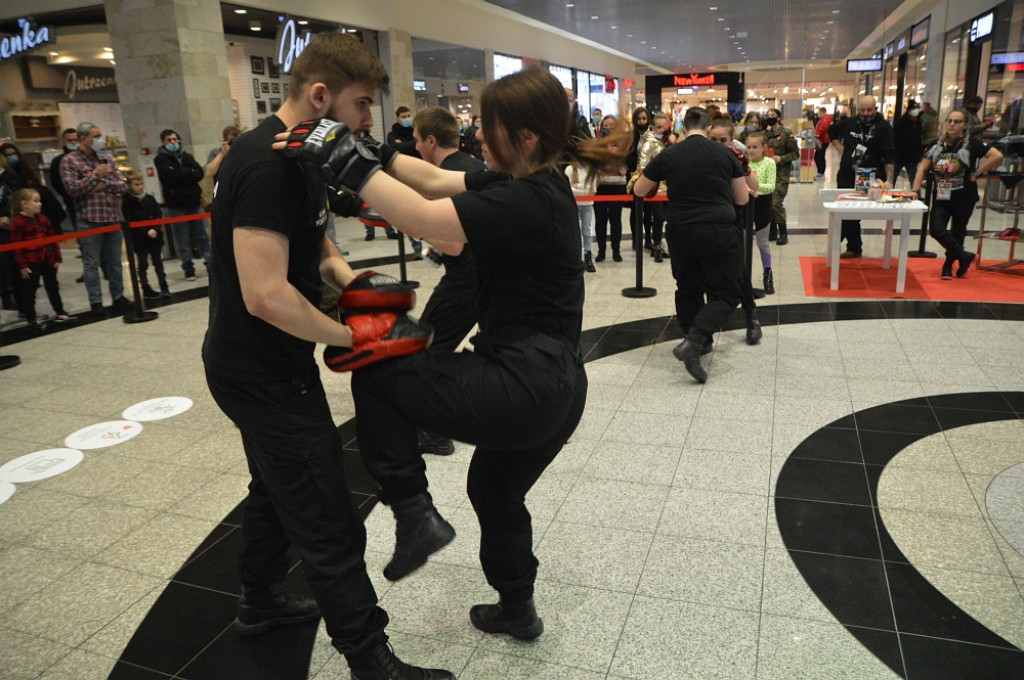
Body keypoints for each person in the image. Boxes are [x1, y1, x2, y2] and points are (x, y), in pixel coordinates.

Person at [277, 67, 622, 643]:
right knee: (494, 491)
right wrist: (368, 149)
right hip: (561, 390)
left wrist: (342, 155)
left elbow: (424, 218)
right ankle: (517, 606)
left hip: (522, 384)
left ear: (526, 136)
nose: (477, 138)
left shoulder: (525, 201)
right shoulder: (539, 183)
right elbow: (432, 181)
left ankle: (412, 511)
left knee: (379, 358)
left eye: (487, 128)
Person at [202, 33, 453, 680]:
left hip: (272, 364)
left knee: (272, 489)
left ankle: (257, 603)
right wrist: (356, 338)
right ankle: (373, 661)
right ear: (321, 96)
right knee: (326, 517)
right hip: (257, 371)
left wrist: (359, 292)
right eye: (362, 104)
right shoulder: (262, 165)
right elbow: (264, 295)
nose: (369, 120)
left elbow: (315, 252)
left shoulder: (303, 156)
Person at [633, 106, 749, 383]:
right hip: (717, 231)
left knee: (687, 287)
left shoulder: (669, 154)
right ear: (709, 129)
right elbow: (742, 198)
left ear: (683, 127)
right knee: (726, 293)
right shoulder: (725, 153)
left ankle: (694, 340)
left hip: (680, 230)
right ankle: (695, 340)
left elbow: (639, 190)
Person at [410, 105, 485, 456]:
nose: (414, 148)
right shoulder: (474, 169)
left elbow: (453, 244)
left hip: (465, 281)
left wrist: (415, 223)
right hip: (490, 275)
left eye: (416, 140)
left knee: (424, 349)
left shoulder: (441, 180)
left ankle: (435, 432)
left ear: (430, 140)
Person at [912, 109, 1003, 280]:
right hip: (941, 196)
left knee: (958, 231)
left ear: (965, 125)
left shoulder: (972, 144)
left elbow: (996, 155)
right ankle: (964, 256)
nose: (952, 124)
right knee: (936, 230)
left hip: (964, 196)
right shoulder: (935, 144)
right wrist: (915, 190)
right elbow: (923, 168)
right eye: (949, 121)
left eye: (957, 121)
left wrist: (978, 172)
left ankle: (948, 266)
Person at [60, 121, 132, 317]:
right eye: (97, 136)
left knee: (115, 262)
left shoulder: (107, 159)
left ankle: (118, 296)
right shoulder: (70, 161)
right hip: (89, 219)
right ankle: (96, 301)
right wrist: (95, 177)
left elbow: (122, 186)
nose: (101, 140)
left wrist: (99, 183)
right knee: (91, 264)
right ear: (84, 139)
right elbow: (72, 188)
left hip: (112, 217)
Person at [707, 117, 763, 343]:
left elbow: (753, 185)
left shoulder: (737, 157)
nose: (718, 143)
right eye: (714, 139)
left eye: (723, 140)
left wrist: (743, 174)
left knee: (738, 271)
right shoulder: (700, 156)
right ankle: (715, 316)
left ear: (731, 140)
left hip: (731, 219)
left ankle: (751, 317)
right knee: (709, 271)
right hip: (707, 219)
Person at [828, 96, 895, 259]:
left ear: (876, 109)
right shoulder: (850, 123)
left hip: (870, 176)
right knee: (845, 210)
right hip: (846, 174)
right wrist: (840, 147)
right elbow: (831, 131)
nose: (866, 113)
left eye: (869, 110)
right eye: (863, 110)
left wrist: (890, 180)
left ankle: (844, 243)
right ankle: (854, 248)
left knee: (855, 212)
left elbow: (889, 156)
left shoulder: (883, 127)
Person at [154, 128, 212, 281]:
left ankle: (211, 264)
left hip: (194, 202)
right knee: (182, 239)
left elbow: (199, 174)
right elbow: (169, 177)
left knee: (203, 236)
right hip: (176, 205)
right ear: (163, 142)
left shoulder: (187, 156)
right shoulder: (160, 159)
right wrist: (187, 173)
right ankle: (188, 269)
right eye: (169, 140)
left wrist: (180, 172)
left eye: (175, 139)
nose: (173, 142)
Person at [9, 188, 70, 331]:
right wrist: (22, 265)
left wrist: (57, 257)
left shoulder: (43, 219)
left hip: (47, 258)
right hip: (31, 261)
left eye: (39, 201)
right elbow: (17, 247)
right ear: (24, 204)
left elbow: (52, 239)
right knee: (30, 290)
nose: (39, 204)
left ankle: (60, 311)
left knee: (53, 286)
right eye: (35, 201)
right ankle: (31, 317)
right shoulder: (18, 223)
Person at [122, 171, 171, 300]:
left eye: (141, 184)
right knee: (142, 263)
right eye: (137, 184)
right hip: (139, 237)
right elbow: (131, 220)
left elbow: (157, 214)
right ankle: (145, 287)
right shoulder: (127, 201)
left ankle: (164, 286)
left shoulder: (149, 198)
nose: (140, 187)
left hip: (155, 236)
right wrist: (145, 231)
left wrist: (155, 228)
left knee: (158, 263)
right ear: (130, 186)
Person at [628, 113, 670, 261]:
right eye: (659, 127)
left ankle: (663, 243)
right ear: (652, 128)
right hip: (656, 188)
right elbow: (642, 166)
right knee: (657, 217)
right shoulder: (649, 144)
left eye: (665, 127)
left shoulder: (670, 142)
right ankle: (656, 244)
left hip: (669, 187)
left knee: (667, 217)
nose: (662, 130)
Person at [1, 142, 67, 234]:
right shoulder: (5, 175)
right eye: (8, 155)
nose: (12, 157)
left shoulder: (24, 170)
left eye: (14, 154)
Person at [744, 131, 777, 295]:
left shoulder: (769, 163)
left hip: (762, 204)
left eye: (755, 147)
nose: (751, 150)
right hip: (746, 204)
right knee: (744, 241)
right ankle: (743, 276)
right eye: (748, 147)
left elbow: (770, 185)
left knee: (762, 242)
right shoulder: (745, 163)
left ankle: (767, 273)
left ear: (764, 148)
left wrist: (755, 188)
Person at [386, 107, 423, 255]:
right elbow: (393, 148)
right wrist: (413, 145)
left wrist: (404, 145)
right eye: (403, 116)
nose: (407, 118)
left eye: (409, 115)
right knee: (407, 211)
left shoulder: (417, 132)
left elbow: (419, 148)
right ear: (397, 118)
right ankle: (417, 248)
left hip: (420, 174)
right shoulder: (392, 134)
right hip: (402, 176)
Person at [593, 114, 628, 263]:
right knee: (600, 220)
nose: (608, 129)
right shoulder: (597, 145)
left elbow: (625, 164)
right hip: (600, 187)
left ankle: (616, 250)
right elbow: (595, 163)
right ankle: (601, 250)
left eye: (611, 126)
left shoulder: (623, 144)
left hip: (617, 186)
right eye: (605, 126)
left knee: (616, 219)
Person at [761, 107, 799, 245]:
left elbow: (795, 154)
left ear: (778, 118)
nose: (769, 117)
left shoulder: (786, 133)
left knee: (776, 203)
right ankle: (772, 231)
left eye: (772, 115)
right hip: (767, 174)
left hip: (781, 175)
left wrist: (781, 158)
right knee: (768, 204)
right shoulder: (764, 135)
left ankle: (783, 233)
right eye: (767, 115)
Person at [49, 128, 80, 230]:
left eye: (75, 140)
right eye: (70, 140)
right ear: (64, 142)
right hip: (72, 203)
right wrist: (68, 193)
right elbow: (55, 182)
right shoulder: (57, 161)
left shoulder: (86, 157)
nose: (73, 142)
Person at [892, 101, 924, 188]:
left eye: (917, 109)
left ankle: (917, 195)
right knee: (892, 178)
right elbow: (895, 139)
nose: (915, 111)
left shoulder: (919, 122)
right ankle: (888, 192)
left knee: (914, 178)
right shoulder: (900, 122)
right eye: (913, 109)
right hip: (899, 157)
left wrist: (919, 153)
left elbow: (920, 138)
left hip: (913, 158)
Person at [813, 107, 832, 179]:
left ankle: (821, 173)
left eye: (819, 112)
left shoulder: (825, 119)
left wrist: (817, 134)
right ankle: (821, 172)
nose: (818, 114)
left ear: (821, 112)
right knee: (820, 156)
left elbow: (822, 127)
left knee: (818, 156)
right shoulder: (825, 118)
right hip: (823, 139)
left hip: (823, 140)